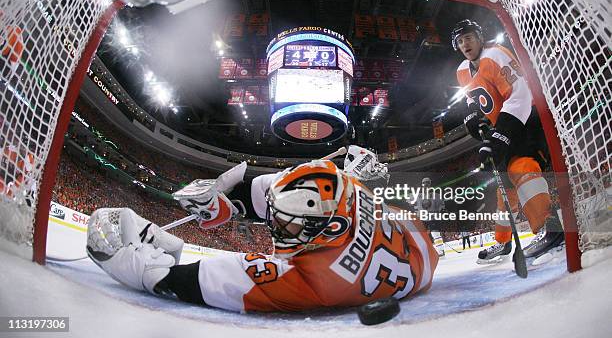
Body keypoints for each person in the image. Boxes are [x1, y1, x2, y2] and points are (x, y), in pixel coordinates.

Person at [87, 160, 439, 312]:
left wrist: (144, 270)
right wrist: (226, 205)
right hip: (413, 245)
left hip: (400, 251)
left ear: (331, 230)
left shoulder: (319, 283)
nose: (274, 227)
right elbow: (290, 184)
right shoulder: (347, 188)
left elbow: (211, 281)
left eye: (286, 224)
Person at [452, 19, 564, 263]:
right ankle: (503, 243)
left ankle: (552, 229)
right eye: (460, 41)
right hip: (502, 126)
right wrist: (472, 115)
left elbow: (521, 95)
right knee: (505, 189)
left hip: (525, 122)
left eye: (469, 37)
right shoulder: (462, 70)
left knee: (520, 169)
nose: (465, 44)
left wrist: (499, 136)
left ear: (479, 37)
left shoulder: (496, 55)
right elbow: (473, 97)